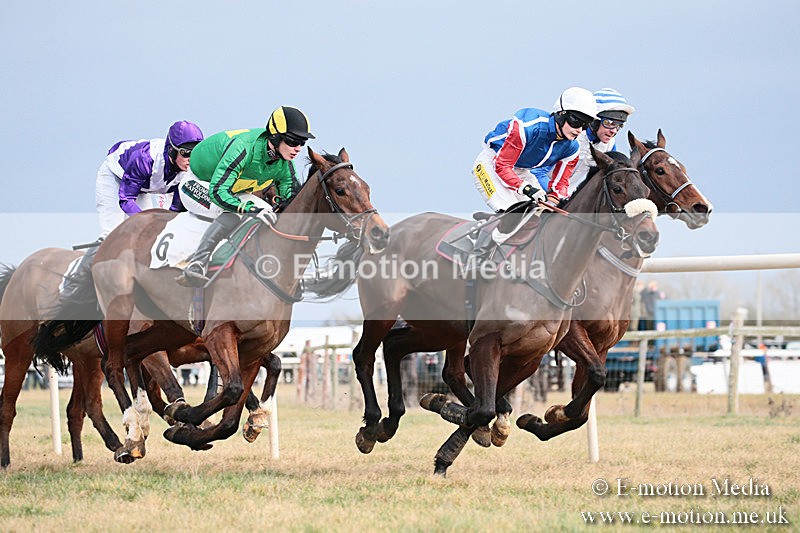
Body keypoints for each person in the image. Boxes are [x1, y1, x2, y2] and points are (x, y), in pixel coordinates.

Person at [62, 121, 204, 299]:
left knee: (146, 239)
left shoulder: (191, 171)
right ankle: (73, 282)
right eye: (185, 153)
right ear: (171, 150)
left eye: (196, 153)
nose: (191, 159)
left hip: (146, 186)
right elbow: (126, 199)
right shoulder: (144, 159)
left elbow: (175, 210)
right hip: (116, 178)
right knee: (111, 234)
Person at [175, 106, 314, 287]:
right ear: (275, 137)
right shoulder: (243, 149)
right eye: (292, 141)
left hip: (233, 189)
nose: (297, 149)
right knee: (234, 212)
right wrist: (249, 209)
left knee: (267, 212)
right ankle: (197, 263)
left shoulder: (284, 164)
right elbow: (218, 192)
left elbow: (290, 200)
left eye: (302, 143)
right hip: (200, 184)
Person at [471, 87, 597, 256]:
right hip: (492, 164)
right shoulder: (528, 126)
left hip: (522, 170)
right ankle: (476, 254)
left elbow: (560, 185)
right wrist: (526, 188)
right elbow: (502, 166)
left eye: (585, 125)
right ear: (561, 114)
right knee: (513, 212)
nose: (579, 130)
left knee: (541, 217)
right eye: (576, 122)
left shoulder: (572, 148)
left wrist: (553, 200)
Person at [568, 88, 635, 195]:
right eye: (609, 123)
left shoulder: (610, 144)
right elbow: (539, 170)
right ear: (594, 122)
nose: (614, 131)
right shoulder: (572, 137)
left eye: (619, 125)